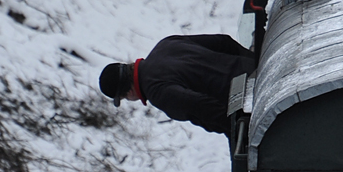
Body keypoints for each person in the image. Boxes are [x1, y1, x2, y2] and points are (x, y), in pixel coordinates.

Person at [99, 34, 255, 136]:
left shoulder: (156, 91)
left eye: (124, 98)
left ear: (127, 91)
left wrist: (241, 131)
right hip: (261, 72)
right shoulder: (166, 44)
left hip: (252, 105)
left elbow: (202, 107)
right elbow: (223, 42)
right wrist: (256, 63)